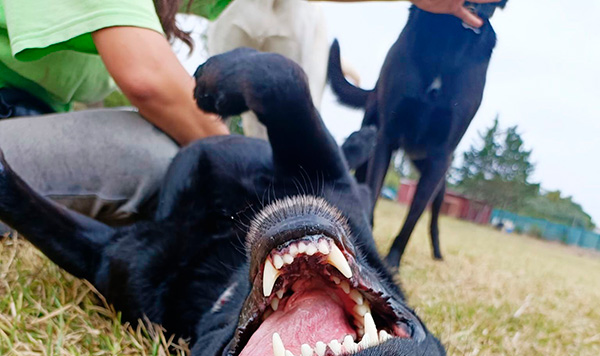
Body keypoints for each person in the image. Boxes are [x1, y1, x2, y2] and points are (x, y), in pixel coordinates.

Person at [0, 0, 499, 225]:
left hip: (29, 115)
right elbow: (148, 78)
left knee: (178, 157)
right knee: (158, 158)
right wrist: (274, 182)